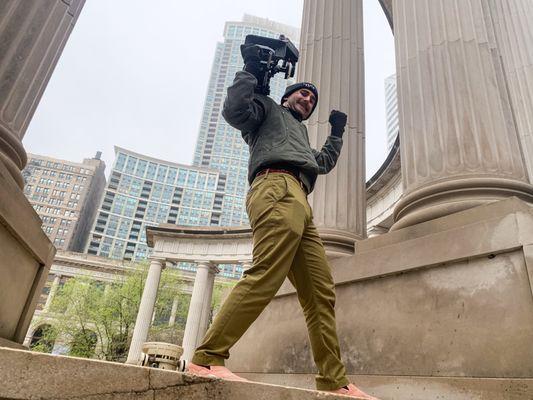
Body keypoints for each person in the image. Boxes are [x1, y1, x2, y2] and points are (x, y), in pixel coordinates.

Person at [187, 45, 379, 400]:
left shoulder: (301, 133)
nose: (308, 99)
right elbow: (235, 110)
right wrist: (249, 70)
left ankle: (334, 381)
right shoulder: (266, 109)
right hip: (274, 186)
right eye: (303, 93)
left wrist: (336, 133)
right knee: (267, 272)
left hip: (300, 201)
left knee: (320, 292)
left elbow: (320, 163)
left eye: (312, 99)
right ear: (288, 95)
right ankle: (207, 357)